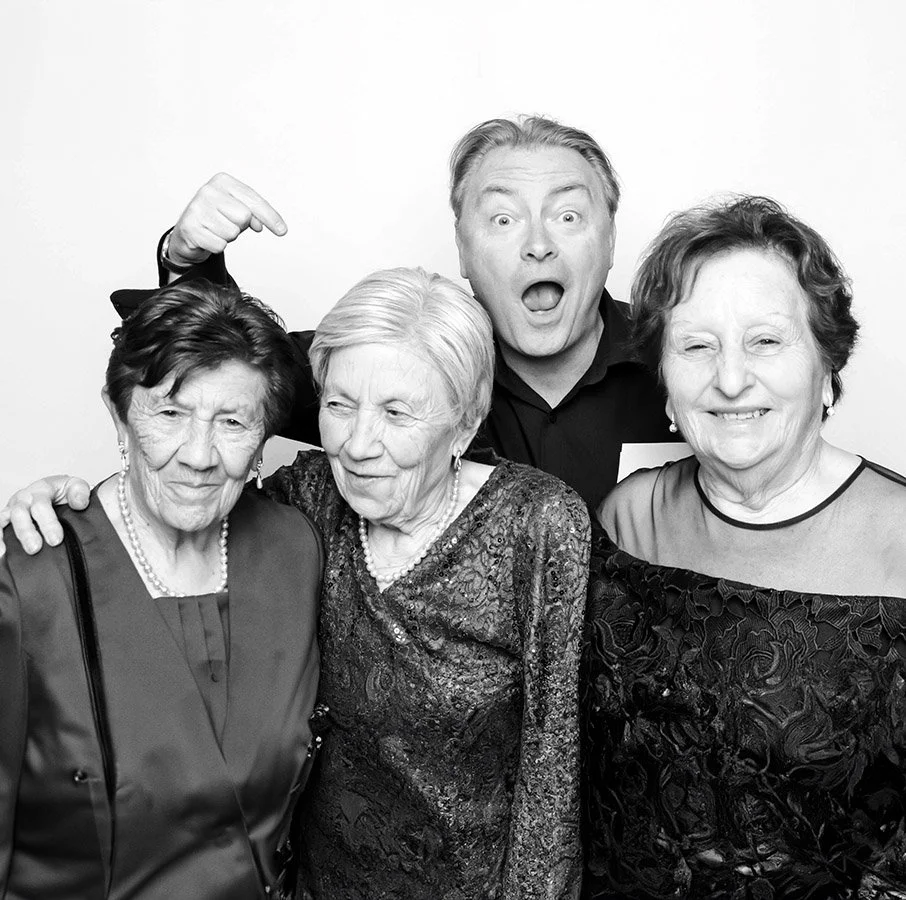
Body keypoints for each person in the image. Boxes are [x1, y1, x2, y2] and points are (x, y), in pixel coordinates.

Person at [5, 267, 590, 898]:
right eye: (339, 406)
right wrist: (58, 505)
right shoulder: (309, 505)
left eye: (396, 411)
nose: (360, 444)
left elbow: (552, 775)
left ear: (467, 423)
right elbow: (180, 477)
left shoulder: (531, 522)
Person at [582, 196, 906, 898]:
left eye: (765, 341)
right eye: (697, 346)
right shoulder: (625, 520)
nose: (730, 380)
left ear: (827, 368)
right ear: (665, 388)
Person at [110, 115, 678, 509]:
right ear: (462, 248)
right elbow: (231, 375)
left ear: (610, 241)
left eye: (569, 217)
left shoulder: (689, 362)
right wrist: (190, 265)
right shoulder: (398, 356)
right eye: (503, 219)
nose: (537, 245)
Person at [0, 281, 322, 898]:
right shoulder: (32, 579)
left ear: (264, 438)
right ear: (118, 413)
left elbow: (409, 417)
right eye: (170, 413)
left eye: (232, 421)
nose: (198, 456)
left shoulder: (294, 551)